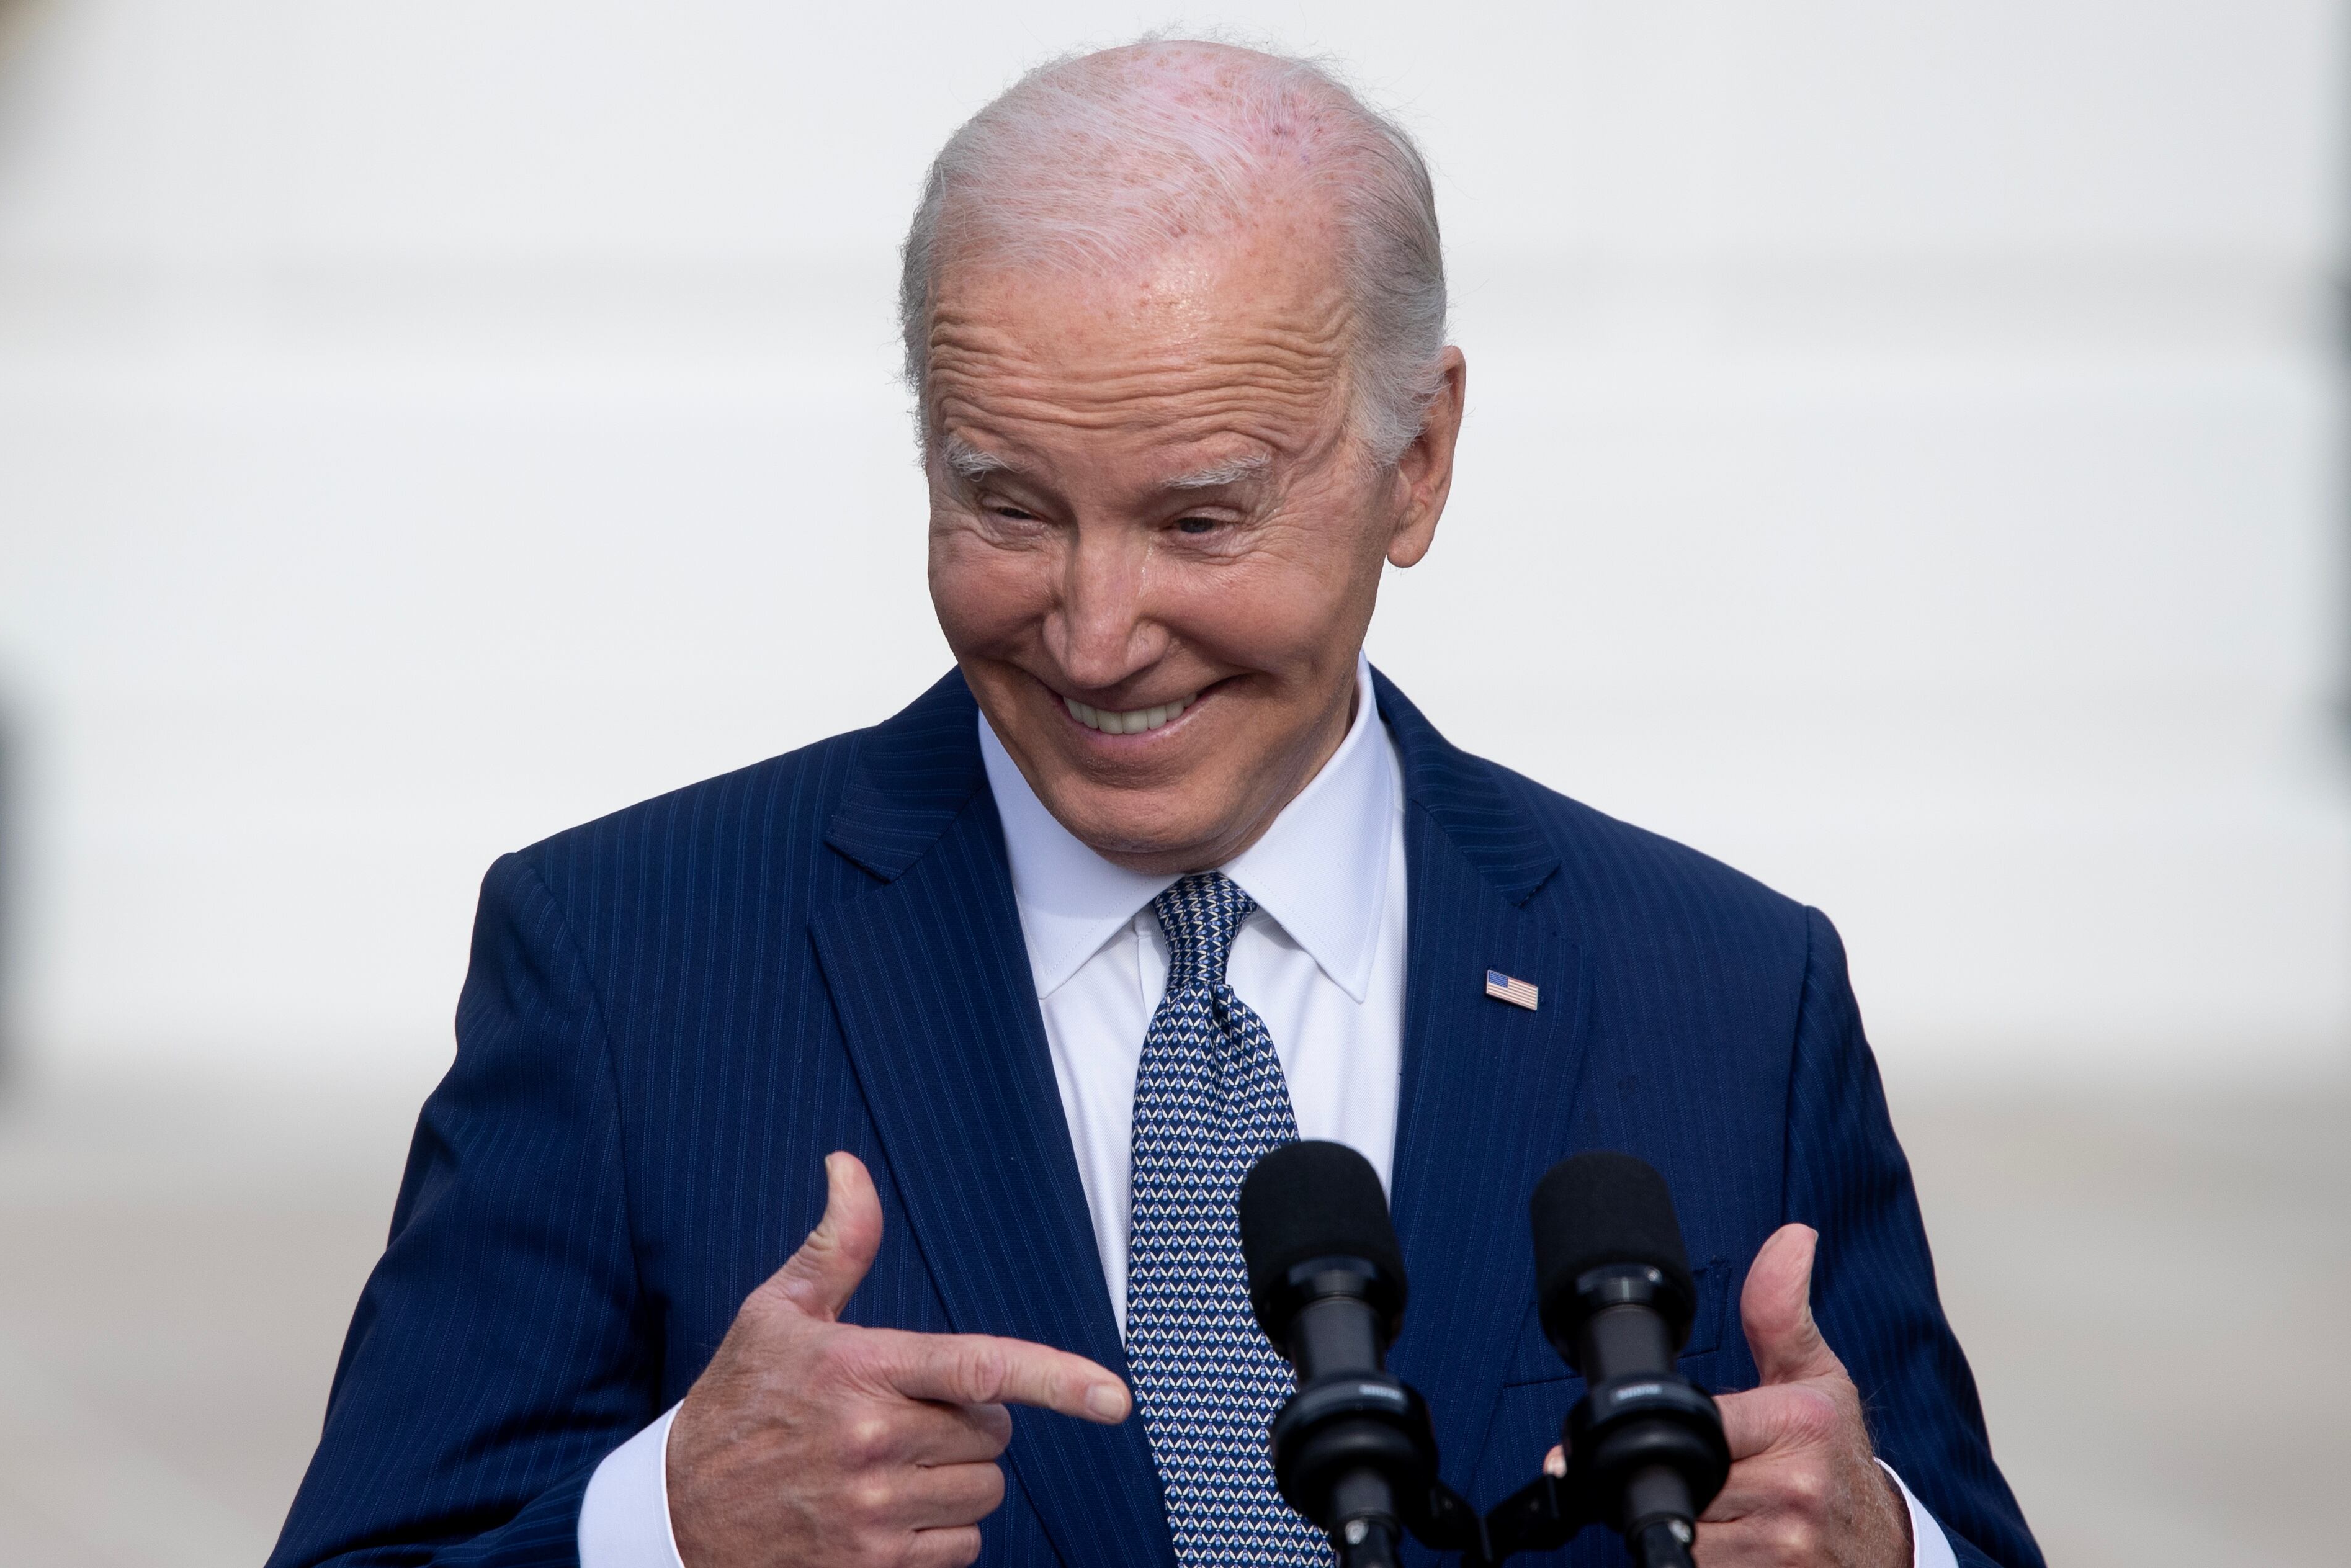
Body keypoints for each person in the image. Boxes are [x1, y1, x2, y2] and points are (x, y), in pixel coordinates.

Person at [269, 39, 2040, 1568]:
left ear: (1418, 462)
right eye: (1009, 507)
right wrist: (667, 1525)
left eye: (1199, 519)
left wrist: (1883, 1547)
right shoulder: (631, 961)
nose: (1097, 636)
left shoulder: (1727, 995)